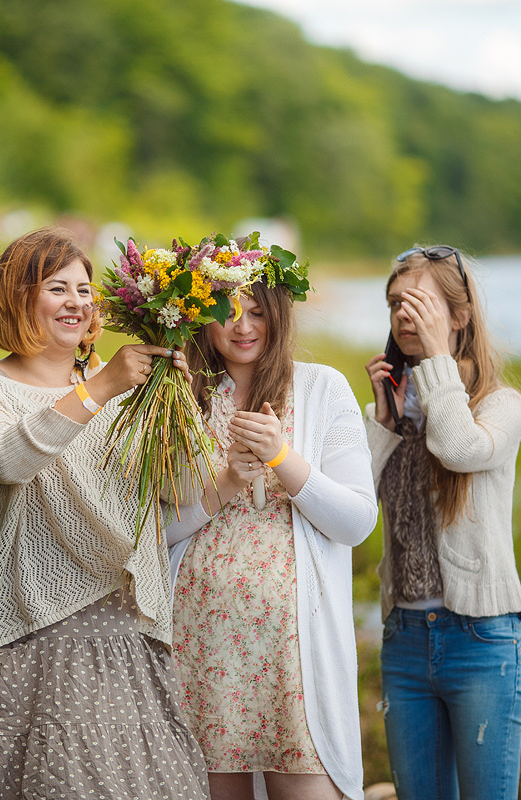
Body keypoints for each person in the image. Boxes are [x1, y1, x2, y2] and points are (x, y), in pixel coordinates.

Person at [0, 226, 210, 799]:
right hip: (20, 639)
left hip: (120, 636)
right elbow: (2, 460)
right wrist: (102, 385)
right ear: (19, 298)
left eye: (85, 291)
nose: (76, 303)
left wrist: (178, 408)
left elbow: (186, 489)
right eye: (57, 289)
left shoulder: (128, 394)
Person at [167, 275, 379, 800]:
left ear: (279, 314)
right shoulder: (181, 397)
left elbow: (356, 521)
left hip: (293, 653)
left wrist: (283, 459)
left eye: (257, 312)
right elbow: (152, 535)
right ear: (200, 315)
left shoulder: (319, 388)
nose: (243, 326)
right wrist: (228, 483)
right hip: (198, 644)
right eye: (227, 310)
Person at [363, 245, 521, 800]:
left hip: (481, 637)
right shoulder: (385, 411)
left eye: (421, 305)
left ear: (459, 316)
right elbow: (355, 508)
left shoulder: (502, 406)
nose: (405, 316)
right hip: (405, 639)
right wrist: (383, 423)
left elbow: (458, 447)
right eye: (394, 305)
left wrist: (435, 360)